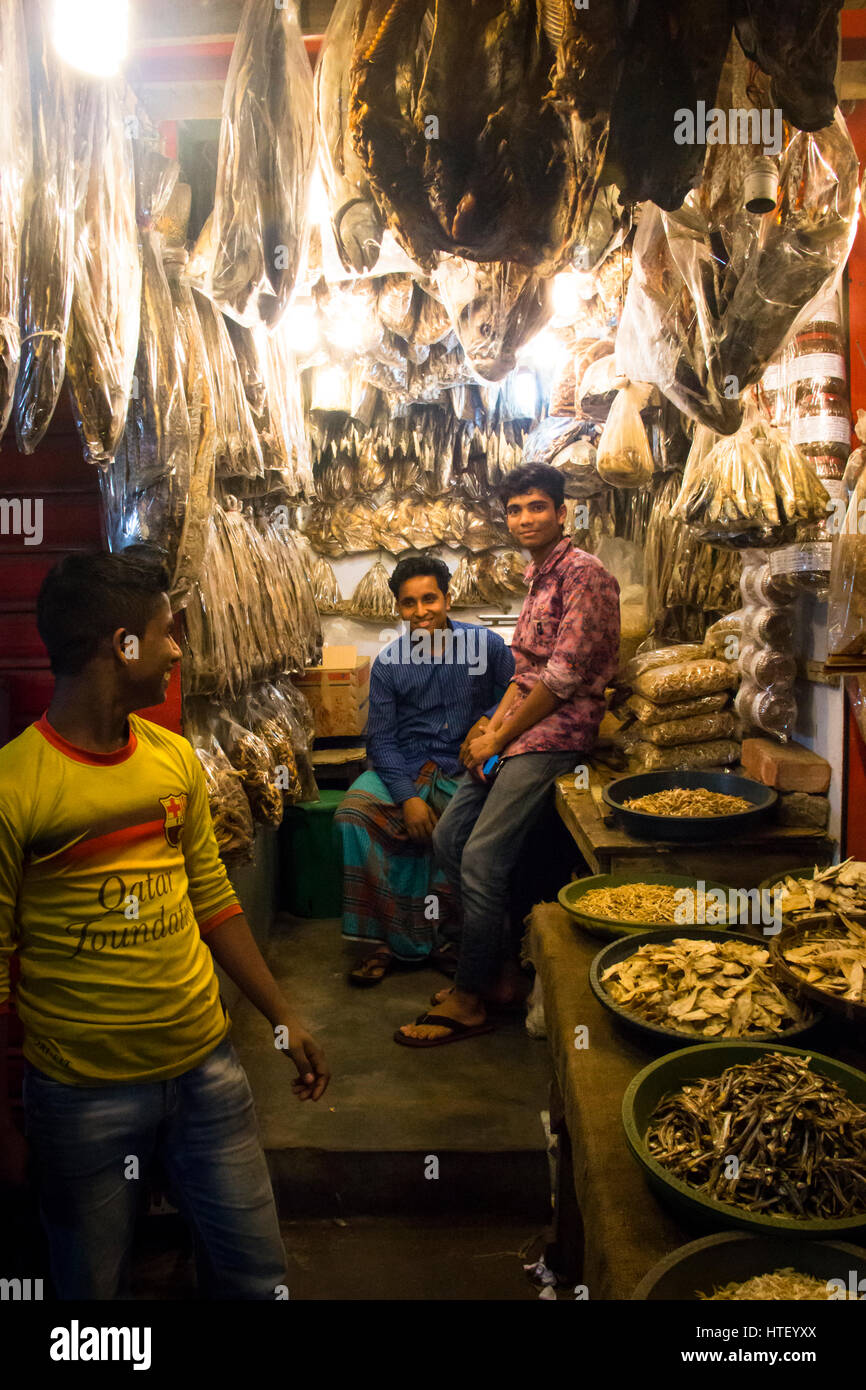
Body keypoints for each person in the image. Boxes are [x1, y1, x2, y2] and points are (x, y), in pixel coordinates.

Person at [0, 550, 330, 1300]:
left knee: (255, 1275)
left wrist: (283, 1017)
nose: (178, 650)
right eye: (165, 633)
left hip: (205, 1068)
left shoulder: (174, 759)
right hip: (82, 1094)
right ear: (121, 647)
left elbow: (211, 898)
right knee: (89, 1287)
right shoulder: (15, 788)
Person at [396, 463, 621, 1047]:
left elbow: (563, 678)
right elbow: (523, 675)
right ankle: (493, 972)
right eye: (516, 509)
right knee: (450, 841)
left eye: (537, 507)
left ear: (561, 512)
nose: (525, 519)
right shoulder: (537, 577)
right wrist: (487, 732)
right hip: (518, 733)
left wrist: (500, 737)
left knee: (484, 859)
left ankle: (471, 996)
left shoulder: (585, 575)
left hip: (556, 736)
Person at [336, 554, 514, 985]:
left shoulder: (486, 646)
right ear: (398, 608)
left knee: (462, 830)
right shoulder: (389, 663)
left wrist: (489, 718)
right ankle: (386, 941)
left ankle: (455, 941)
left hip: (464, 766)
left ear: (448, 598)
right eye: (408, 603)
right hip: (408, 765)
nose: (421, 612)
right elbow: (381, 739)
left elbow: (518, 691)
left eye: (429, 599)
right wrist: (408, 797)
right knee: (352, 815)